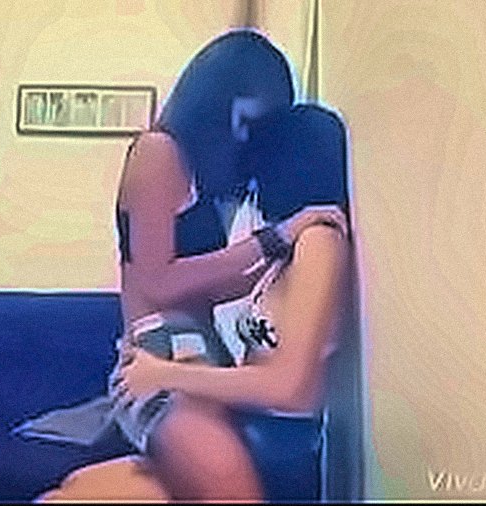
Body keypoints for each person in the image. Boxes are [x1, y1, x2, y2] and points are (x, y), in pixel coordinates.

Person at [34, 29, 350, 501]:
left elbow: (208, 284)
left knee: (77, 492)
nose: (247, 139)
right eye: (247, 120)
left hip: (200, 350)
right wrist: (276, 239)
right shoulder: (158, 151)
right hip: (162, 345)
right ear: (218, 100)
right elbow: (157, 282)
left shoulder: (211, 175)